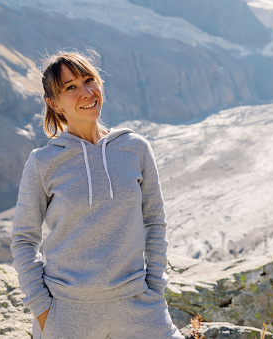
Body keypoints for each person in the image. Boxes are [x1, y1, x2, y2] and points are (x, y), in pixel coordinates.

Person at [11, 50, 184, 339]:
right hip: (67, 314)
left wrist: (154, 286)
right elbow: (24, 238)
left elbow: (155, 222)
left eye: (90, 80)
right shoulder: (43, 161)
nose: (86, 92)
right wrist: (42, 308)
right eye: (71, 87)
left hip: (138, 306)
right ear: (53, 103)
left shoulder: (135, 148)